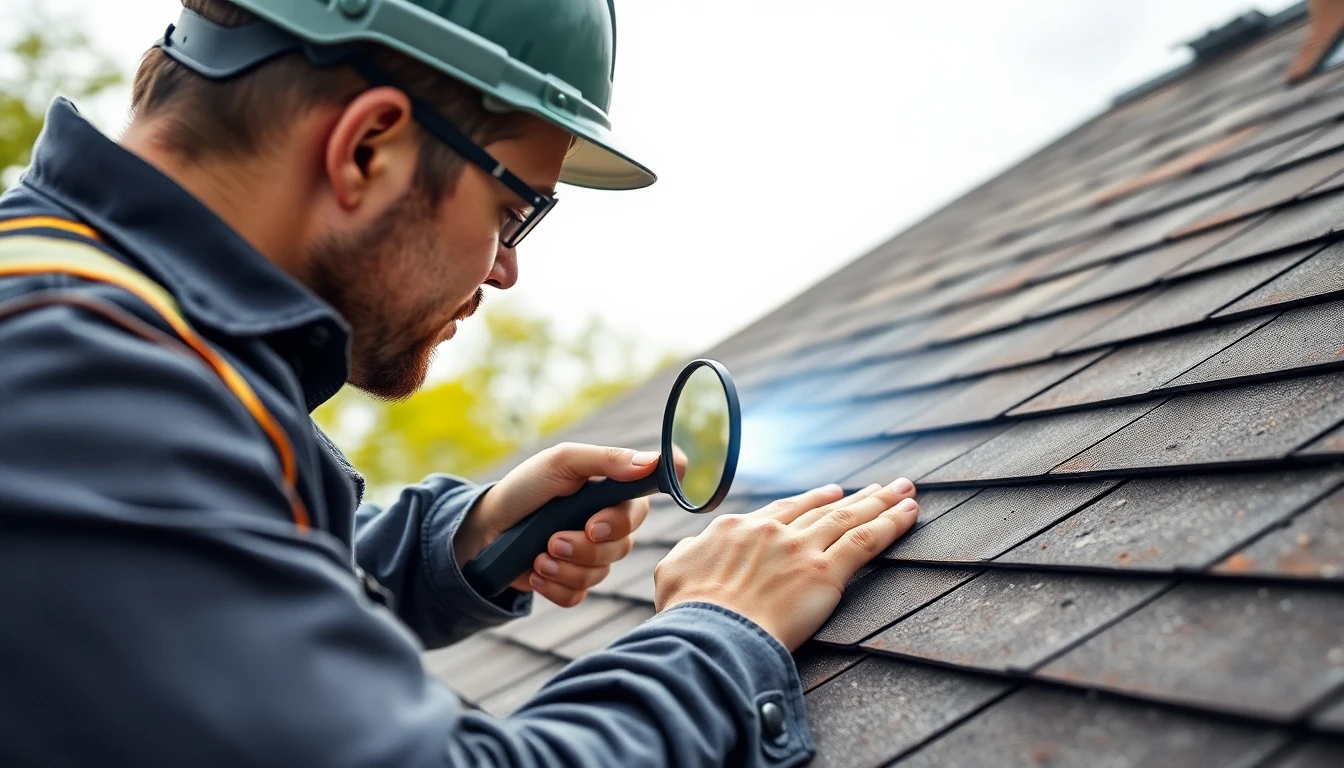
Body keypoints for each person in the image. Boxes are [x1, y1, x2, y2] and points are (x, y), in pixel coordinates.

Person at [0, 1, 920, 765]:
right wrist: (723, 634)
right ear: (369, 149)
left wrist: (462, 541)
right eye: (513, 212)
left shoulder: (73, 313)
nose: (505, 271)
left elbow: (191, 600)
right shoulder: (85, 387)